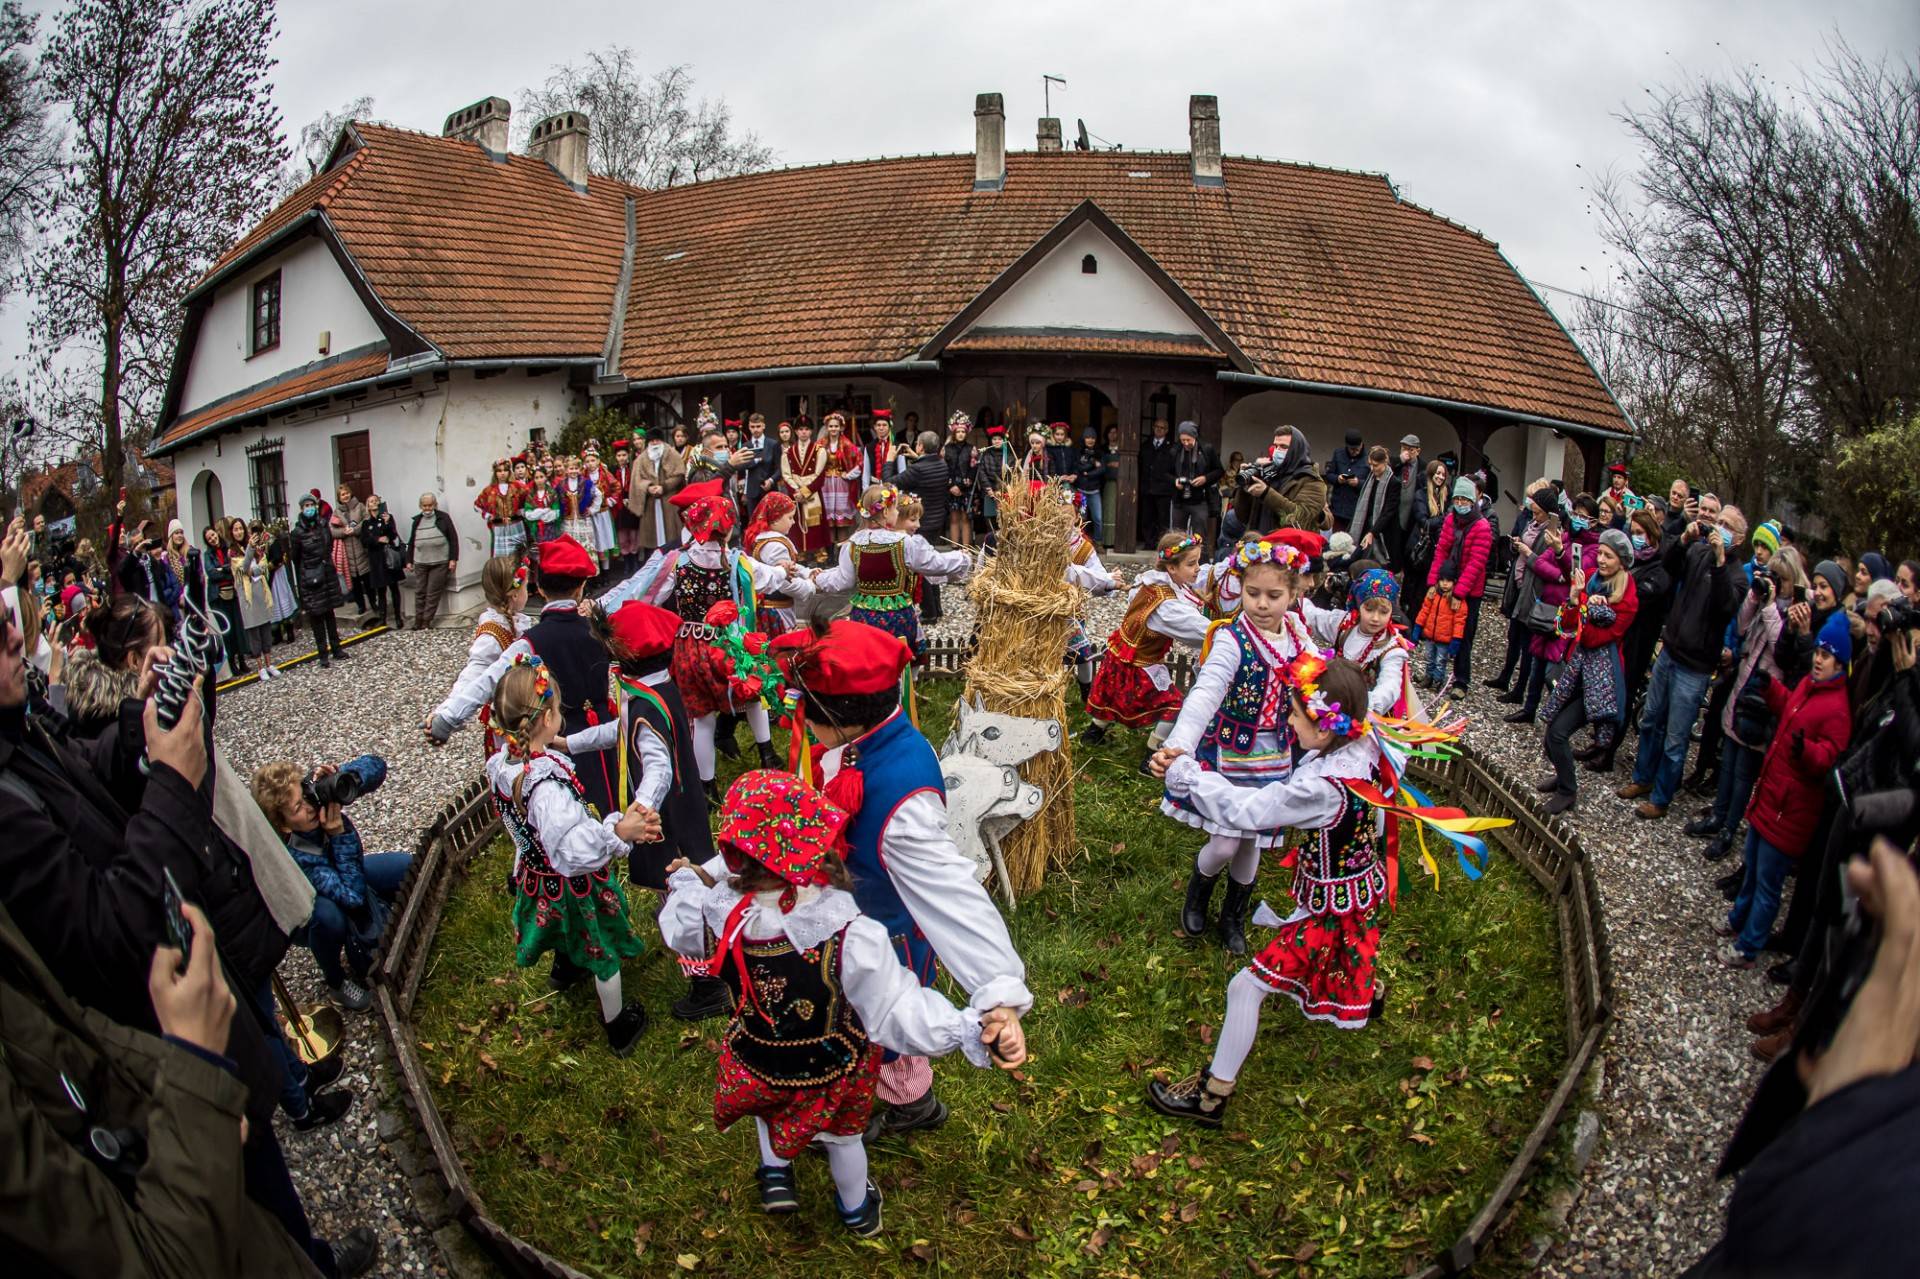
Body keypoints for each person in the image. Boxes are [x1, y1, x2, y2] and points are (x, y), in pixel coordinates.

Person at [0, 601, 378, 1275]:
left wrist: (152, 712)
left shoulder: (22, 730)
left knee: (266, 1188)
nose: (10, 627)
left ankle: (311, 1257)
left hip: (177, 1036)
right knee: (244, 1193)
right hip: (160, 1046)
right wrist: (173, 776)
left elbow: (94, 772)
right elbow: (109, 930)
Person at [659, 770, 1017, 1236]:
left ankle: (775, 1176)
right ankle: (856, 1209)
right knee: (844, 1139)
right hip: (831, 1067)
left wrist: (688, 882)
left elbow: (679, 927)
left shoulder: (719, 911)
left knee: (769, 1110)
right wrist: (966, 1028)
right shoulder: (848, 932)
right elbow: (895, 1008)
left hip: (757, 1055)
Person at [1147, 655, 1490, 1126]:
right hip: (1357, 893)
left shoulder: (1323, 788)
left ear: (1325, 728)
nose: (1287, 720)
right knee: (1350, 954)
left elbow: (1248, 811)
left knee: (1245, 989)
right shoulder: (1369, 744)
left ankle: (1211, 1098)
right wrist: (1395, 658)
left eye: (1294, 713)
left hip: (1330, 912)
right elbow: (1396, 701)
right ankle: (1367, 997)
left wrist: (1185, 775)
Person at [765, 620, 1031, 1139]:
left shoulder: (900, 806)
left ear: (840, 721)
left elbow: (950, 892)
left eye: (807, 715)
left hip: (883, 936)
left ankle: (908, 1106)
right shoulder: (887, 733)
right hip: (865, 915)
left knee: (876, 1026)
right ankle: (907, 1097)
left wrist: (997, 989)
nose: (800, 724)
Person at [0, 897, 339, 1276]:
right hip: (186, 1215)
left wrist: (200, 1093)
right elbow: (162, 1264)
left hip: (205, 1190)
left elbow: (70, 1028)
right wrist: (196, 1073)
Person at [486, 657, 655, 1054]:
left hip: (537, 874)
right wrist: (617, 831)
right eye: (558, 709)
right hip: (571, 884)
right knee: (603, 949)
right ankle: (618, 1025)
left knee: (559, 926)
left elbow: (519, 827)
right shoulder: (545, 785)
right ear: (546, 717)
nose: (560, 715)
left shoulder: (504, 765)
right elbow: (573, 849)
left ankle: (565, 966)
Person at [1157, 541, 1317, 955]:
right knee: (1226, 841)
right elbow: (1205, 694)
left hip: (1275, 758)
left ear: (1294, 594)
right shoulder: (1232, 639)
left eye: (1274, 595)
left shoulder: (1299, 638)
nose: (1261, 604)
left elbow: (1322, 685)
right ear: (1240, 589)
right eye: (1252, 593)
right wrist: (1179, 746)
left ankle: (1234, 915)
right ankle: (1199, 891)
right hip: (1232, 754)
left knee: (1252, 842)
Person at [583, 599, 722, 1019]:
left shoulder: (644, 703)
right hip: (682, 808)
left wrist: (639, 811)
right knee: (682, 884)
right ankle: (699, 953)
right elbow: (620, 730)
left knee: (685, 889)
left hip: (668, 820)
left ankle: (708, 983)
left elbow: (658, 769)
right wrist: (569, 743)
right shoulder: (655, 690)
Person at [1717, 612, 1853, 969]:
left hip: (1791, 811)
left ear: (1841, 663)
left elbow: (1829, 757)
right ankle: (1736, 920)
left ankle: (1749, 946)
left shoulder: (1837, 709)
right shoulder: (1808, 686)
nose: (1819, 659)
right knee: (1752, 866)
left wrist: (1807, 752)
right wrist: (1772, 689)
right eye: (1818, 652)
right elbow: (1791, 708)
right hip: (1771, 797)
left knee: (1767, 884)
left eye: (1827, 656)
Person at [1618, 506, 1748, 820]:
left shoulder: (1737, 576)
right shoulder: (1698, 552)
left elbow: (1724, 608)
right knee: (1651, 720)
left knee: (1676, 737)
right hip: (1671, 651)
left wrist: (1719, 562)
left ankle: (1661, 797)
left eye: (1727, 525)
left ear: (1740, 538)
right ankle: (1642, 777)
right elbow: (1670, 566)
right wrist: (1683, 542)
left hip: (1696, 666)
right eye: (1718, 522)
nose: (1719, 528)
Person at [1689, 548, 1803, 860]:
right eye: (1772, 576)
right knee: (1728, 762)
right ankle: (1717, 816)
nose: (1775, 583)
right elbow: (1740, 628)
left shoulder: (1797, 611)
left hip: (1763, 697)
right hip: (1742, 685)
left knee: (1743, 772)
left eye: (1781, 578)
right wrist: (1754, 598)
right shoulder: (1765, 599)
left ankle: (1729, 828)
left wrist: (1769, 607)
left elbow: (1783, 650)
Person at [1083, 532, 1214, 768]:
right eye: (1191, 564)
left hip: (1119, 653)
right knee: (1174, 706)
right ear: (1172, 568)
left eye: (1198, 562)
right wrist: (1227, 631)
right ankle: (1151, 755)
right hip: (1139, 664)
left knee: (1111, 696)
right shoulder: (1168, 606)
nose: (1197, 569)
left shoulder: (1149, 581)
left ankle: (1093, 734)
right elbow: (1201, 631)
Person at [1535, 529, 1640, 814]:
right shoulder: (1591, 578)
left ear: (1621, 561)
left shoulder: (1626, 599)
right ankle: (1561, 775)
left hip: (1599, 680)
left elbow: (1593, 638)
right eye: (1601, 553)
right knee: (1552, 728)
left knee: (1558, 732)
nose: (1602, 560)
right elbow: (1568, 625)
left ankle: (1568, 791)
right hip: (1575, 670)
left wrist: (1583, 603)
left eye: (1609, 555)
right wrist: (1574, 598)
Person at [812, 484, 971, 658]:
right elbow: (933, 563)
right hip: (896, 616)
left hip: (864, 616)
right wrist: (961, 558)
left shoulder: (853, 544)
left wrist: (818, 578)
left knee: (868, 659)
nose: (897, 513)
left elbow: (842, 580)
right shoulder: (903, 542)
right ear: (886, 512)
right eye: (895, 508)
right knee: (898, 660)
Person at [1591, 508, 1672, 774]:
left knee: (1622, 696)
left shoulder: (1659, 568)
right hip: (1618, 635)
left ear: (1651, 535)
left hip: (1638, 640)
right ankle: (1598, 742)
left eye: (1639, 533)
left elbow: (1642, 597)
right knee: (1605, 690)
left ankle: (1609, 751)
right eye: (1632, 532)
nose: (1635, 537)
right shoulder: (1630, 562)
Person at [436, 555, 533, 762]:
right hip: (509, 720)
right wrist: (446, 712)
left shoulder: (518, 624)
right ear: (514, 594)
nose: (529, 591)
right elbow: (474, 674)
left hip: (529, 715)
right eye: (526, 587)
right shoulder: (491, 634)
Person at [1424, 477, 1494, 689]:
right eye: (1458, 499)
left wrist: (1458, 593)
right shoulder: (1449, 520)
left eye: (1465, 499)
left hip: (1469, 589)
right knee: (1437, 629)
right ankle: (1434, 673)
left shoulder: (1482, 526)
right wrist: (1434, 582)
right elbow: (1441, 551)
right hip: (1446, 580)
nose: (1461, 503)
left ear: (1473, 501)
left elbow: (1476, 563)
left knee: (1464, 635)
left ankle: (1461, 681)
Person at [289, 493, 349, 667]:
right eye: (306, 506)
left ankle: (336, 647)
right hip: (310, 577)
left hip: (326, 573)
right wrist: (308, 572)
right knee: (316, 616)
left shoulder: (323, 525)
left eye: (311, 505)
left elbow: (328, 545)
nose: (309, 508)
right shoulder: (297, 533)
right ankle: (322, 653)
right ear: (302, 509)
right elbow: (296, 557)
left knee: (329, 612)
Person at [1234, 425, 1326, 537]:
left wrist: (1266, 493)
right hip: (1258, 546)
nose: (1277, 451)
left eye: (1283, 447)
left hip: (1288, 550)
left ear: (1296, 450)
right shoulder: (1268, 472)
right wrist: (1244, 489)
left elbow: (1301, 517)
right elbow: (1243, 516)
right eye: (1276, 446)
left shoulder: (1311, 480)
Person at [404, 491, 459, 631]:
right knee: (420, 591)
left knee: (432, 592)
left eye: (430, 505)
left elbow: (453, 538)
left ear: (435, 505)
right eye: (424, 506)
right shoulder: (417, 520)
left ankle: (426, 621)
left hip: (440, 561)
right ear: (420, 506)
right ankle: (418, 620)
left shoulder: (443, 518)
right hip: (421, 561)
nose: (427, 508)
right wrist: (409, 560)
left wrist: (453, 559)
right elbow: (412, 541)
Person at [201, 523, 251, 677]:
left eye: (213, 535)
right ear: (207, 541)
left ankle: (242, 659)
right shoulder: (207, 555)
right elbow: (211, 573)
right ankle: (232, 663)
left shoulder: (228, 548)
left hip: (233, 592)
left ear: (217, 534)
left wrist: (223, 569)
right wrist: (224, 569)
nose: (213, 538)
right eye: (209, 538)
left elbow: (234, 568)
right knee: (227, 630)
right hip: (218, 596)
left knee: (238, 628)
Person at [629, 426, 688, 555]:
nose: (655, 443)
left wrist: (664, 486)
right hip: (650, 504)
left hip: (669, 502)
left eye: (657, 440)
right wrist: (649, 487)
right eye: (652, 441)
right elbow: (637, 481)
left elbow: (679, 475)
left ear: (662, 441)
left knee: (672, 537)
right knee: (652, 541)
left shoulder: (672, 454)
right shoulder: (641, 459)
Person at [233, 516, 278, 678]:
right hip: (247, 595)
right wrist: (250, 551)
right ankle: (260, 667)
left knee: (266, 629)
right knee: (254, 632)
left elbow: (263, 564)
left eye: (240, 528)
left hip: (260, 588)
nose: (238, 532)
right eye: (235, 529)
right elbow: (244, 567)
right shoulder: (232, 551)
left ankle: (269, 663)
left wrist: (255, 569)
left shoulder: (255, 545)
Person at [781, 420, 830, 562]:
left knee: (815, 522)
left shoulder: (819, 450)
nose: (803, 432)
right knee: (796, 523)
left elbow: (819, 475)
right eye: (800, 429)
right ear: (795, 432)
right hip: (796, 494)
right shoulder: (788, 452)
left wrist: (806, 491)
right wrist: (796, 491)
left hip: (812, 492)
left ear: (811, 432)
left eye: (807, 429)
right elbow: (786, 475)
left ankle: (819, 553)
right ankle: (800, 552)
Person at [897, 430, 951, 555]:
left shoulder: (917, 469)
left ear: (920, 446)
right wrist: (918, 457)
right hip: (936, 519)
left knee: (917, 557)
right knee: (927, 555)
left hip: (920, 521)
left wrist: (889, 460)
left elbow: (890, 482)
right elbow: (927, 467)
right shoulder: (942, 464)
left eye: (917, 444)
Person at [1168, 420, 1223, 539]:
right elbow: (1164, 472)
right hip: (1179, 500)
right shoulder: (1175, 450)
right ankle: (1179, 558)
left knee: (1200, 537)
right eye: (1183, 440)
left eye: (1189, 440)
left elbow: (1219, 471)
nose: (1186, 443)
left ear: (1195, 437)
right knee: (1177, 537)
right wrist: (1175, 481)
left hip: (1200, 499)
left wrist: (1205, 478)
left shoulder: (1206, 449)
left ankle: (1200, 558)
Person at [359, 495, 405, 627]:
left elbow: (393, 535)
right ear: (368, 506)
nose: (374, 503)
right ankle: (383, 618)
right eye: (371, 501)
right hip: (376, 560)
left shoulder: (387, 517)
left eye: (376, 501)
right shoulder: (366, 523)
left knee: (394, 589)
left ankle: (397, 617)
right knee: (381, 591)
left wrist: (387, 523)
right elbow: (364, 541)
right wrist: (377, 539)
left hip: (388, 557)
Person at [329, 486, 371, 617]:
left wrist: (356, 529)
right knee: (355, 583)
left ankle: (373, 602)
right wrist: (343, 532)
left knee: (367, 580)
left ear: (350, 493)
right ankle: (361, 605)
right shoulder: (337, 512)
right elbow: (332, 530)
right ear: (339, 498)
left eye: (346, 493)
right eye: (342, 494)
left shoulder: (360, 506)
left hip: (361, 549)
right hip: (347, 552)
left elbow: (367, 520)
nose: (345, 496)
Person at [473, 458, 526, 559]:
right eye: (499, 471)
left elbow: (529, 499)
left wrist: (523, 510)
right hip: (499, 527)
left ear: (509, 472)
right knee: (501, 558)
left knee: (519, 556)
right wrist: (487, 515)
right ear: (495, 473)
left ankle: (520, 574)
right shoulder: (489, 490)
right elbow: (477, 505)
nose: (502, 473)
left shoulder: (517, 486)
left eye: (505, 470)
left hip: (516, 526)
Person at [941, 412, 978, 550]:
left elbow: (974, 469)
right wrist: (951, 486)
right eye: (958, 431)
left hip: (966, 488)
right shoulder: (946, 449)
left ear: (966, 433)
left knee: (966, 518)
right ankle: (955, 547)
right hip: (950, 487)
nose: (961, 434)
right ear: (954, 432)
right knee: (954, 518)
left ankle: (966, 548)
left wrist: (961, 487)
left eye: (963, 431)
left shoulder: (971, 449)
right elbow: (943, 469)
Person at [1323, 428, 1369, 527]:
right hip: (1337, 507)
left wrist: (1358, 483)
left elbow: (1371, 484)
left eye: (1357, 449)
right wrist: (1338, 479)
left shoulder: (1368, 458)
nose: (1355, 452)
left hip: (1356, 510)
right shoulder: (1338, 454)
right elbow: (1329, 475)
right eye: (1352, 449)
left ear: (1361, 444)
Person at [1140, 418, 1176, 542]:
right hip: (1147, 488)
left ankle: (1161, 543)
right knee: (1147, 518)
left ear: (1166, 430)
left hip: (1164, 490)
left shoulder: (1172, 447)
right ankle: (1149, 542)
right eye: (1156, 427)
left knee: (1163, 519)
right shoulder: (1146, 444)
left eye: (1162, 428)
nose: (1158, 430)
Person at [1073, 427, 1111, 543]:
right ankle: (1080, 542)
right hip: (1082, 492)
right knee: (1082, 518)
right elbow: (1080, 467)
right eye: (1088, 437)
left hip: (1094, 491)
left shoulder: (1100, 453)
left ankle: (1098, 542)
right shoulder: (1078, 452)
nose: (1090, 440)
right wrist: (1093, 463)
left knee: (1098, 518)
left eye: (1093, 438)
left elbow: (1103, 469)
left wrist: (1088, 473)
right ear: (1084, 439)